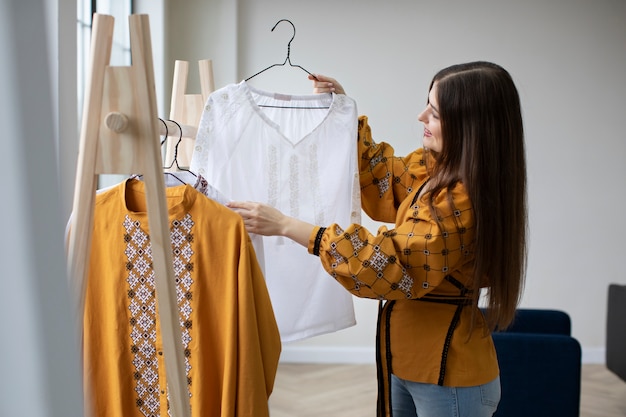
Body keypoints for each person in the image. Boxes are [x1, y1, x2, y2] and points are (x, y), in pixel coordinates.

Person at [227, 61, 527, 417]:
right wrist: (342, 114)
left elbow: (390, 263)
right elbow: (384, 175)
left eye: (434, 112)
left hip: (448, 376)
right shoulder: (436, 170)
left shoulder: (458, 201)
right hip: (407, 363)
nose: (421, 117)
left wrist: (288, 226)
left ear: (470, 126)